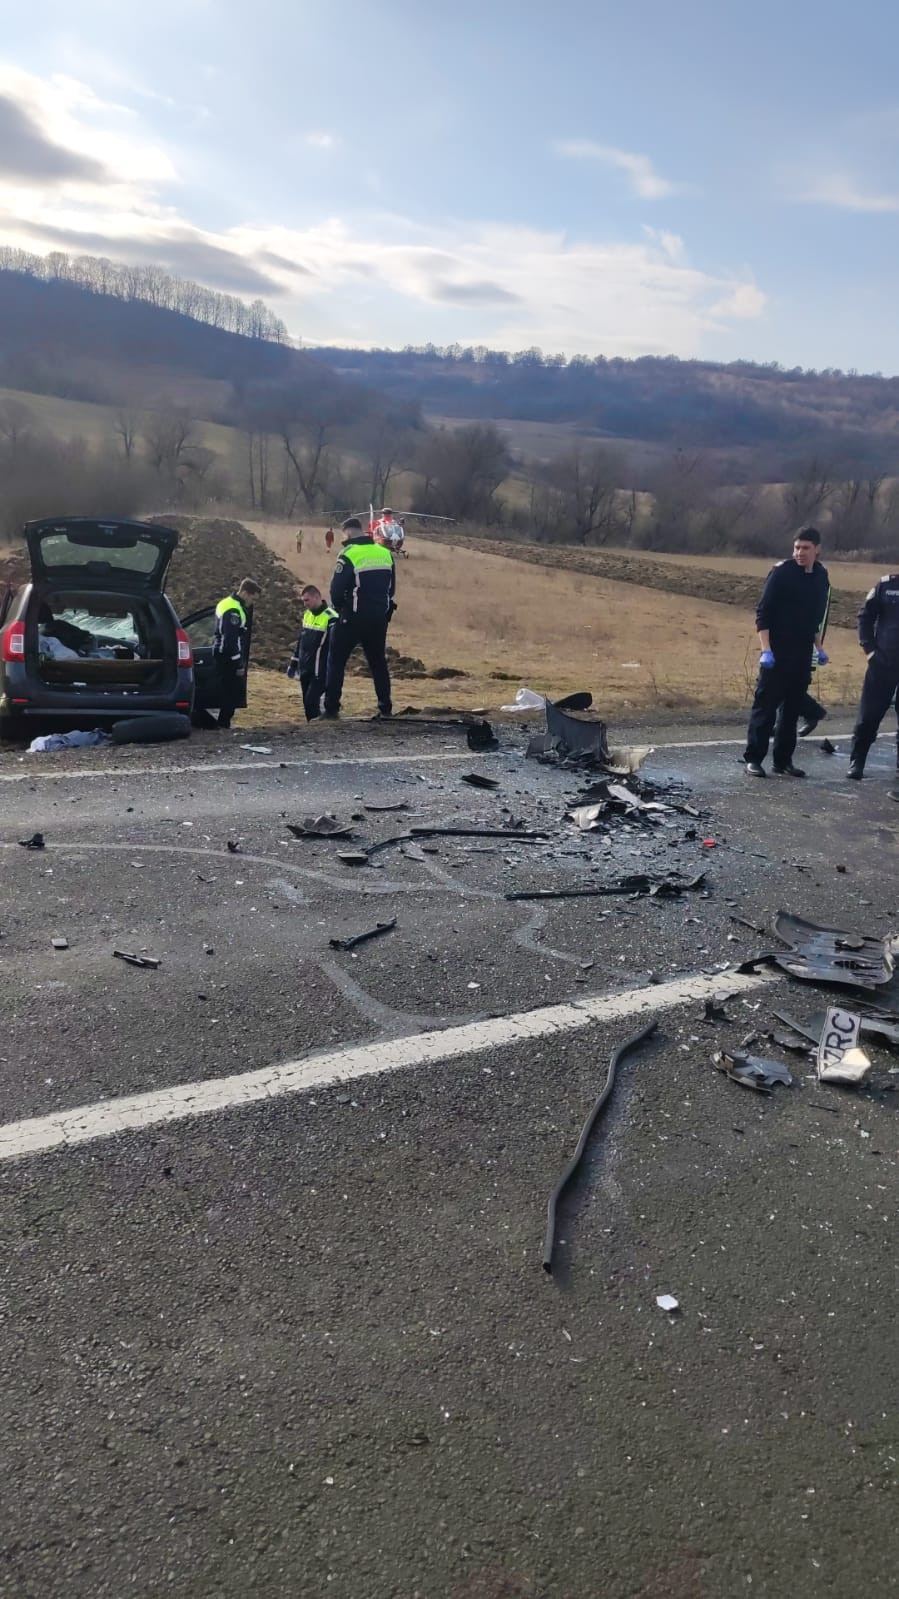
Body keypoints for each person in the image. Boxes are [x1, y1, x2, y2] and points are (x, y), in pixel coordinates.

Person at [743, 528, 830, 778]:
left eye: (805, 548)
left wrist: (819, 648)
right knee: (766, 707)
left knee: (791, 710)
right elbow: (764, 612)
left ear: (817, 549)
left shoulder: (821, 576)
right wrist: (766, 649)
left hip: (801, 652)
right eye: (797, 548)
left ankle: (783, 761)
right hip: (777, 651)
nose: (800, 553)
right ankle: (754, 759)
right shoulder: (781, 573)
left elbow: (815, 619)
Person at [323, 517, 395, 719]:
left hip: (352, 618)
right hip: (378, 619)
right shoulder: (385, 553)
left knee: (336, 661)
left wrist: (341, 610)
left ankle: (331, 709)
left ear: (347, 533)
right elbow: (391, 590)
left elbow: (336, 591)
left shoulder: (348, 554)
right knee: (378, 663)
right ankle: (385, 707)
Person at [846, 568, 899, 780]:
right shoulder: (887, 585)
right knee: (868, 716)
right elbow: (865, 616)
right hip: (883, 663)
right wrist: (869, 650)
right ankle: (857, 761)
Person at [212, 578, 260, 729]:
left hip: (221, 652)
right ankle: (223, 723)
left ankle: (222, 722)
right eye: (252, 598)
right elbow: (230, 639)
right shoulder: (233, 609)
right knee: (231, 691)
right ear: (245, 593)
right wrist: (237, 661)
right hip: (227, 656)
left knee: (227, 689)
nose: (252, 602)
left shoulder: (227, 603)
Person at [287, 584, 337, 721]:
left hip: (320, 671)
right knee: (307, 705)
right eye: (303, 601)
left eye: (307, 600)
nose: (305, 604)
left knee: (311, 702)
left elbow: (336, 647)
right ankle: (312, 728)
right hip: (305, 669)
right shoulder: (307, 615)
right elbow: (301, 641)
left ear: (317, 597)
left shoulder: (331, 618)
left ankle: (320, 729)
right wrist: (293, 663)